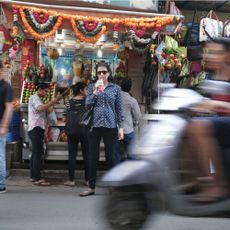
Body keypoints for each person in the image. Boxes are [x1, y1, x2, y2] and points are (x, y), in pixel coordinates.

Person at [183, 38, 230, 203]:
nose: (210, 56)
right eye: (208, 52)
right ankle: (196, 179)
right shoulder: (212, 74)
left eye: (216, 53)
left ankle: (219, 186)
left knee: (199, 127)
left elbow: (217, 104)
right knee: (185, 127)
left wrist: (217, 104)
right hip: (223, 123)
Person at [80, 61, 124, 196]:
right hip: (95, 126)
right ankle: (91, 187)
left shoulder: (115, 88)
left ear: (108, 73)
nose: (101, 75)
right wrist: (95, 92)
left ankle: (112, 186)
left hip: (110, 125)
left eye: (104, 72)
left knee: (111, 156)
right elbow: (87, 106)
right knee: (93, 156)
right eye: (99, 72)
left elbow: (119, 109)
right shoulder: (92, 86)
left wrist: (120, 127)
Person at [28, 82, 61, 186]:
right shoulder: (34, 97)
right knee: (37, 154)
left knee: (35, 153)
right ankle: (37, 178)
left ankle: (33, 176)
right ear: (40, 89)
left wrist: (52, 104)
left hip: (37, 129)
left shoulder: (38, 99)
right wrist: (52, 102)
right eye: (46, 91)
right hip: (36, 128)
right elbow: (40, 108)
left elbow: (42, 110)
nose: (46, 93)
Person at [64, 82, 89, 187]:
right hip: (84, 130)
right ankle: (88, 180)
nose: (87, 91)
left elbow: (65, 117)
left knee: (72, 155)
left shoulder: (69, 102)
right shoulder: (87, 101)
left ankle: (71, 180)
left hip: (71, 131)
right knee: (87, 155)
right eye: (86, 89)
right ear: (81, 91)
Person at [119, 78, 141, 160]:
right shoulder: (132, 100)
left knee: (119, 156)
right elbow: (138, 116)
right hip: (128, 131)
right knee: (131, 155)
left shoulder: (115, 98)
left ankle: (119, 171)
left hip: (116, 131)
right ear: (130, 88)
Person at [0, 60, 13, 193]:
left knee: (0, 157)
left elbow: (9, 108)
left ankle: (1, 185)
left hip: (0, 128)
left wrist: (3, 126)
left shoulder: (6, 87)